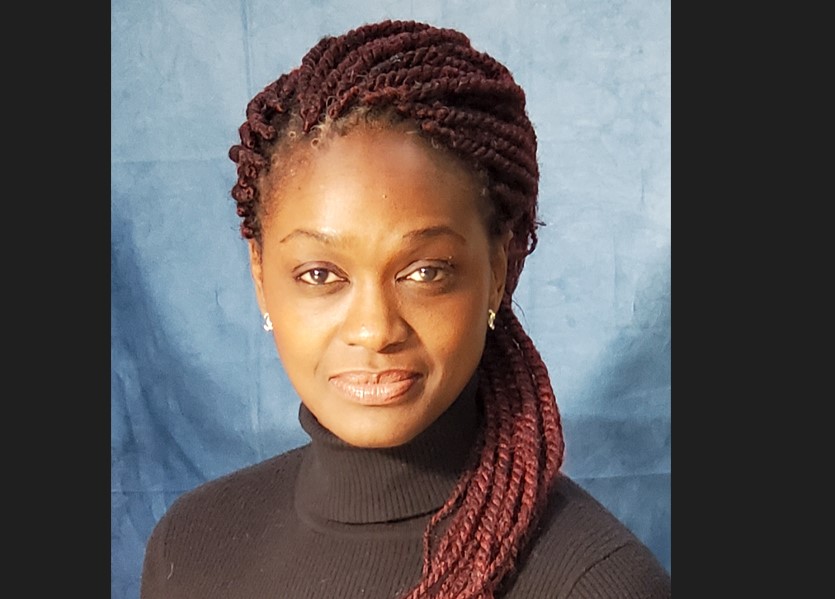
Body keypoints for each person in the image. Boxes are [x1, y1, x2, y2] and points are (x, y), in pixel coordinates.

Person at [139, 19, 671, 599]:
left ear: (497, 271)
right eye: (320, 275)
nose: (375, 329)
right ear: (262, 277)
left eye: (425, 272)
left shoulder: (596, 584)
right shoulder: (189, 547)